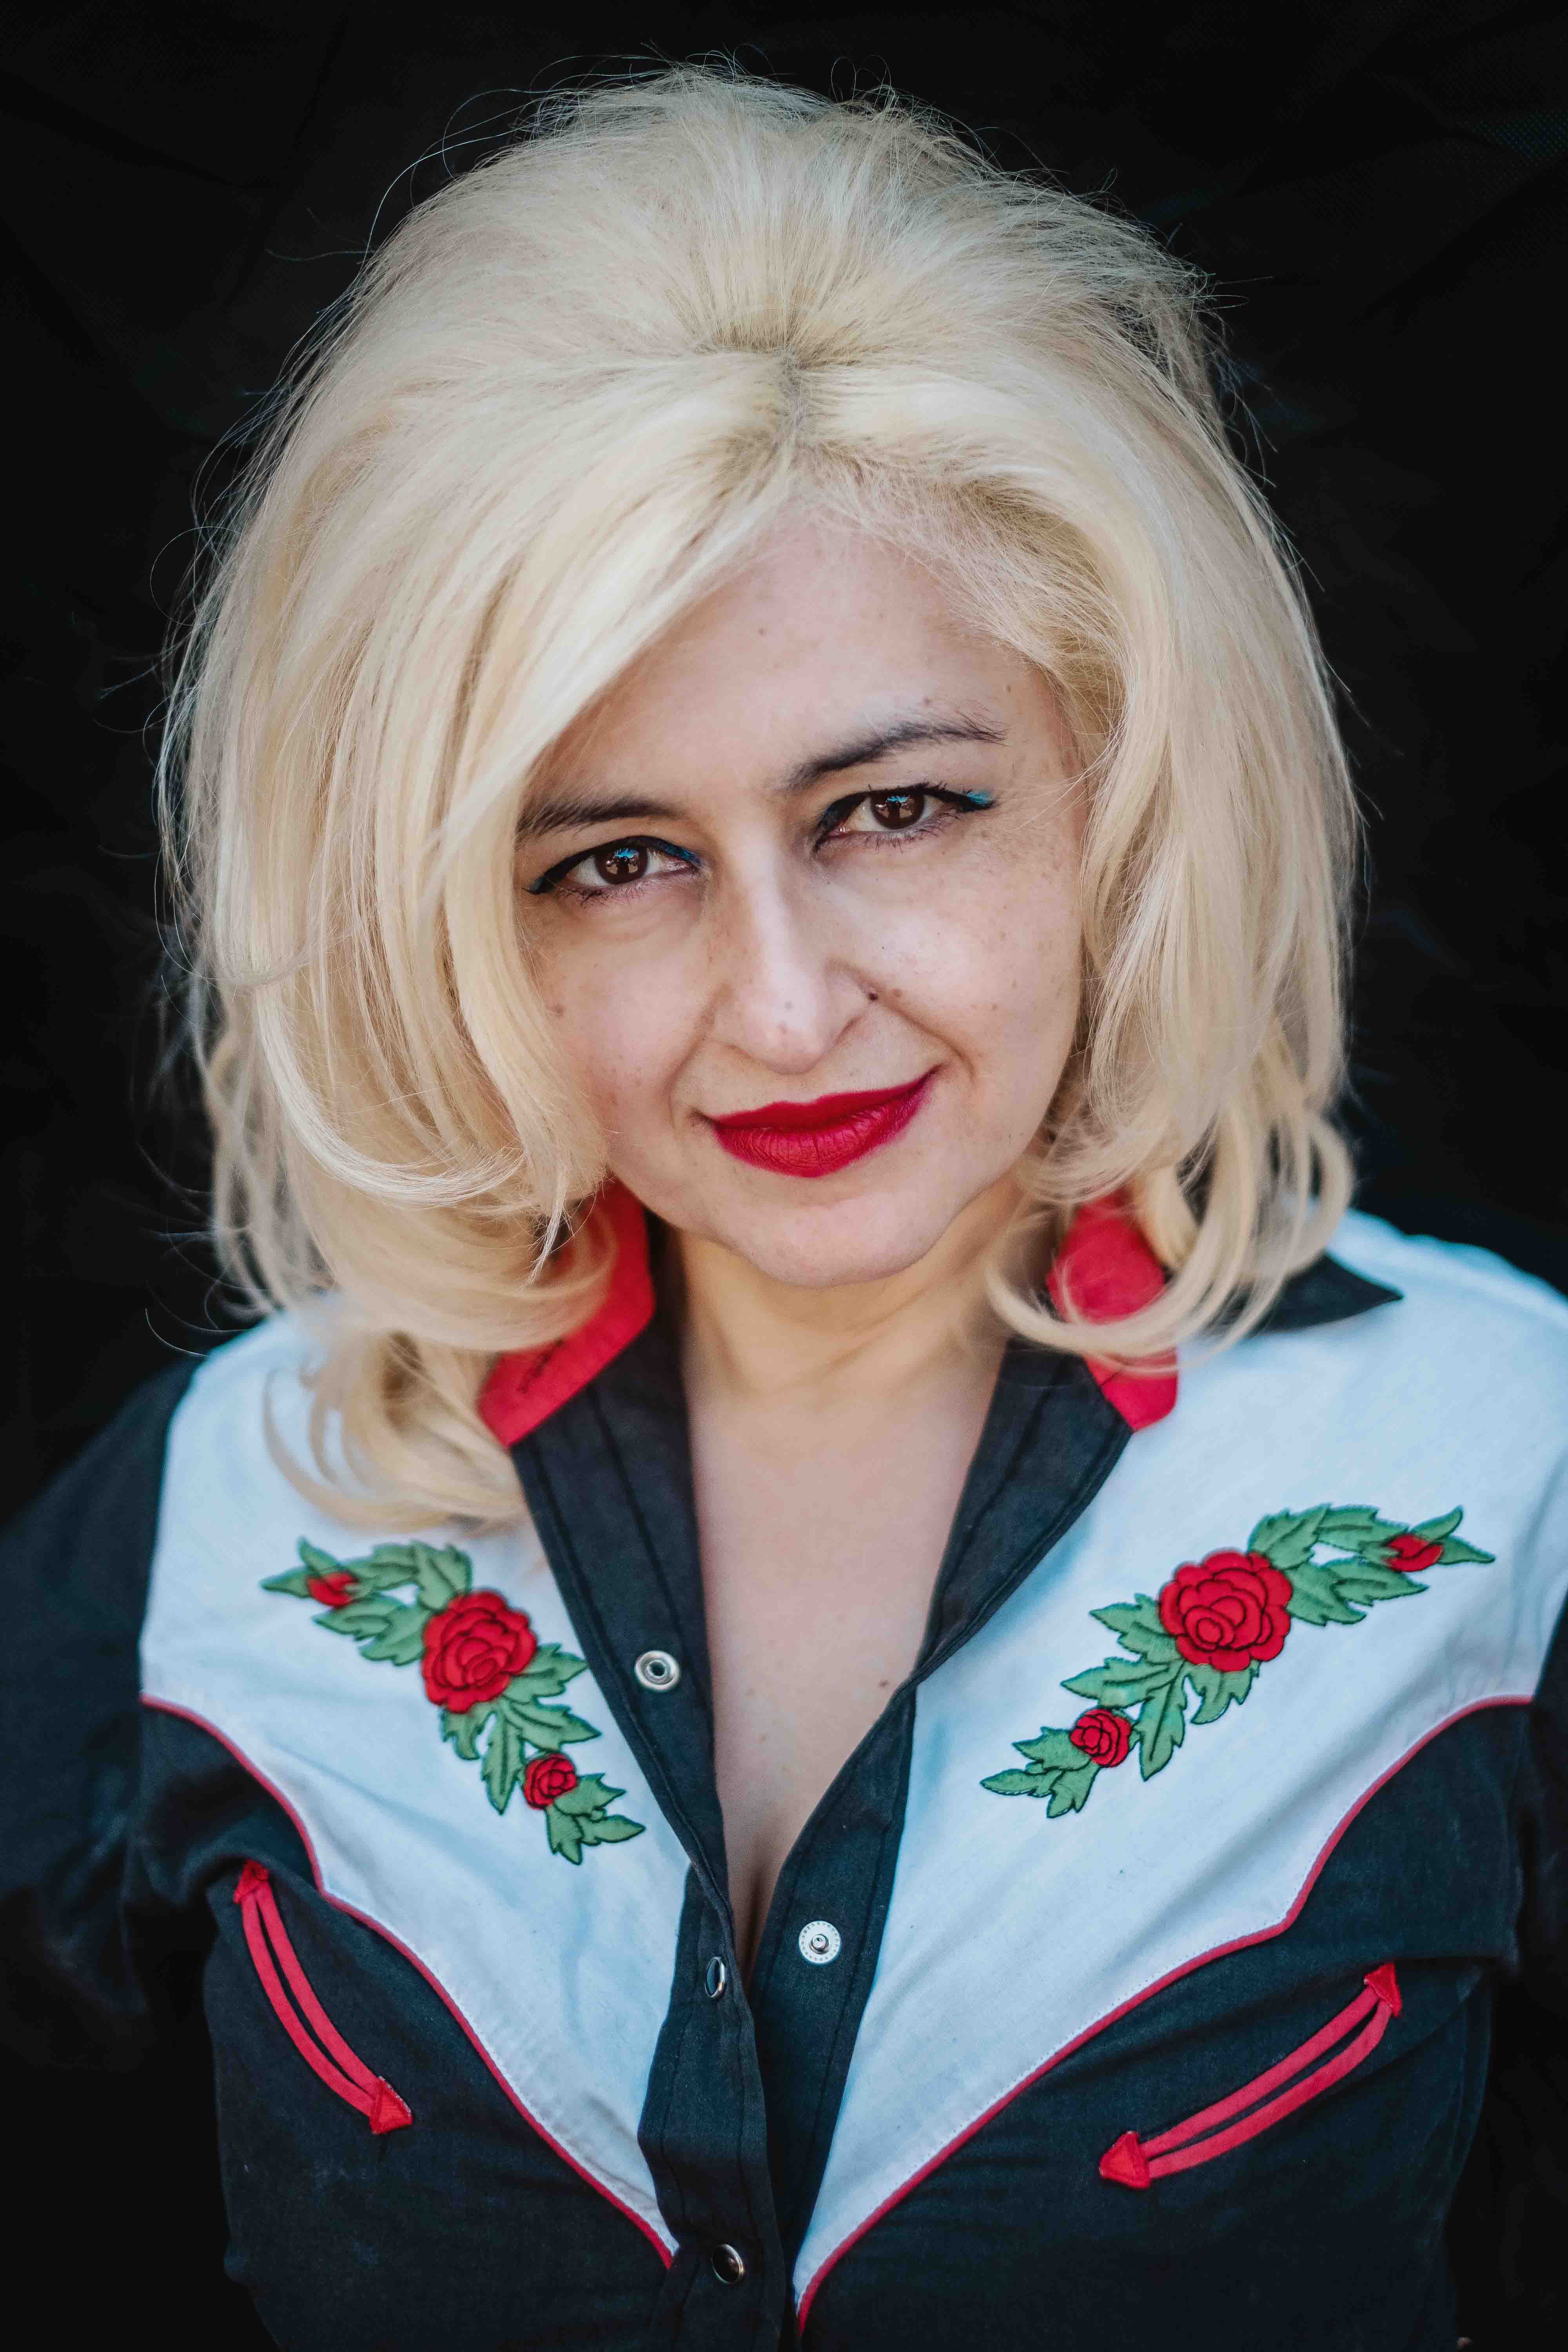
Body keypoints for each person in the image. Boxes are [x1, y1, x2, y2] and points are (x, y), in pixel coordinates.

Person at [2, 64, 1564, 2352]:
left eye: (897, 809)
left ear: (1119, 791)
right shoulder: (238, 1502)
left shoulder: (1506, 1466)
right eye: (614, 860)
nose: (784, 1008)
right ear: (457, 917)